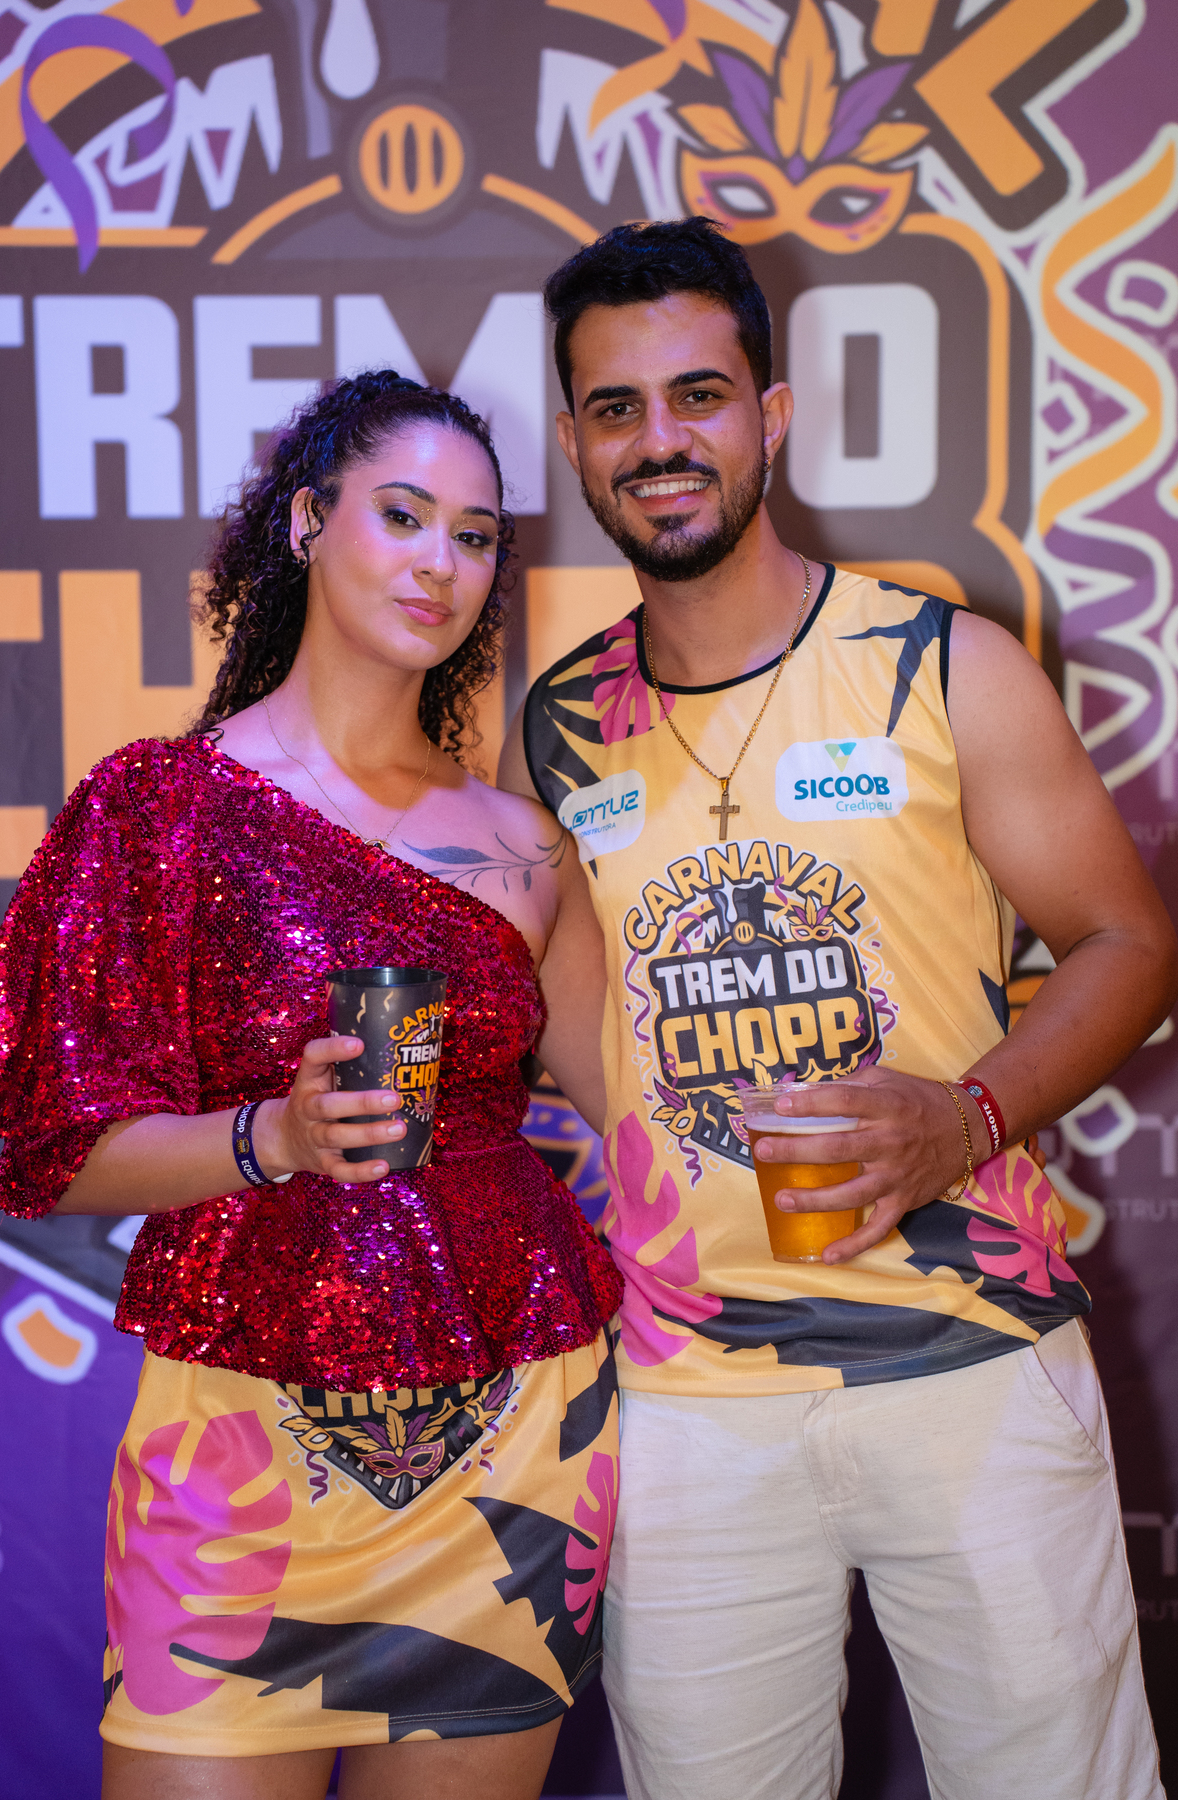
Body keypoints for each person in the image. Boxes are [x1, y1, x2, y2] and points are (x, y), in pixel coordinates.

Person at [498, 218, 1174, 1800]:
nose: (661, 440)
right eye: (615, 409)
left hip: (969, 1355)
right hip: (692, 1394)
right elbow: (593, 1038)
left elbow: (1131, 945)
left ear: (772, 416)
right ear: (576, 445)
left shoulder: (945, 664)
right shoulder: (565, 723)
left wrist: (968, 1117)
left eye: (699, 396)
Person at [0, 371, 623, 1800]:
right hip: (235, 1461)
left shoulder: (528, 844)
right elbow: (53, 1152)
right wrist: (269, 1135)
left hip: (507, 1449)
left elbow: (645, 1121)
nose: (440, 562)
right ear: (307, 520)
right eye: (403, 515)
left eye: (475, 536)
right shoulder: (157, 806)